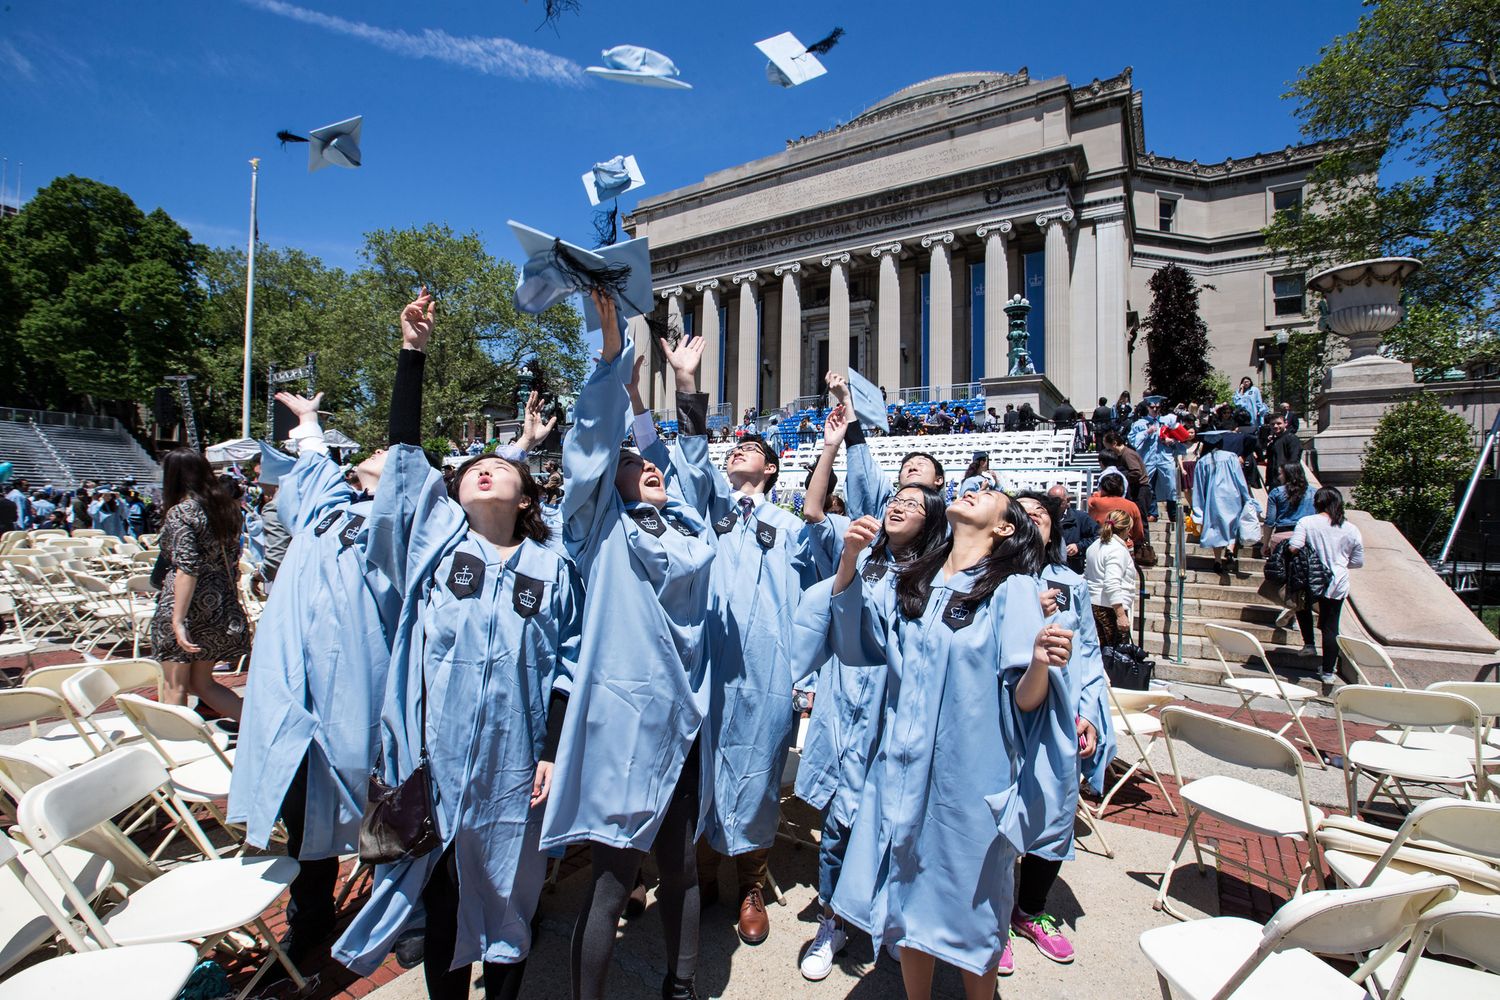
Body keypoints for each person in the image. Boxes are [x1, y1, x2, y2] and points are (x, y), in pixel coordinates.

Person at [333, 294, 581, 1000]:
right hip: (434, 758)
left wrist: (551, 749)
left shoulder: (552, 569)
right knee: (443, 896)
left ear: (527, 498)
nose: (482, 466)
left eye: (499, 467)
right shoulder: (432, 549)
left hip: (515, 764)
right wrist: (412, 354)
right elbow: (406, 461)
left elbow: (568, 661)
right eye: (472, 464)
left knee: (508, 895)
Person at [823, 489, 1072, 1000]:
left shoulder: (1013, 589)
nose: (973, 489)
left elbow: (1025, 700)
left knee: (971, 920)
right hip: (901, 776)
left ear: (1004, 528)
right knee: (908, 905)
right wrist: (849, 560)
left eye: (989, 496)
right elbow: (858, 644)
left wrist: (1043, 660)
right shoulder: (915, 582)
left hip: (966, 783)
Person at [541, 295, 717, 1000]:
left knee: (681, 869)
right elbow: (590, 443)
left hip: (684, 723)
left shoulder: (688, 530)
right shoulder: (596, 531)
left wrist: (684, 389)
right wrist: (612, 344)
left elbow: (694, 466)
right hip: (622, 726)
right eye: (634, 459)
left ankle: (680, 986)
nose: (650, 464)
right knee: (611, 882)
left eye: (653, 461)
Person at [792, 403, 951, 982]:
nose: (899, 500)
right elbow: (813, 510)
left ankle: (891, 921)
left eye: (914, 496)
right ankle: (832, 920)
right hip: (845, 706)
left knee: (894, 828)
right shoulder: (864, 547)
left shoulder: (939, 577)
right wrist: (851, 557)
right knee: (838, 823)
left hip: (895, 719)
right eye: (895, 494)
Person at [671, 353, 822, 950]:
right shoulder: (708, 515)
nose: (737, 450)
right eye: (732, 447)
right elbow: (689, 462)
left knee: (758, 774)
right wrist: (687, 387)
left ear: (772, 467)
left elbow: (816, 607)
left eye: (750, 448)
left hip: (767, 669)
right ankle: (704, 876)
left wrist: (804, 678)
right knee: (703, 767)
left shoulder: (791, 529)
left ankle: (751, 886)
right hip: (707, 662)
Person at [1009, 491, 1114, 974]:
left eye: (1042, 515)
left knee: (1053, 810)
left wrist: (1089, 712)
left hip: (1056, 715)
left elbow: (1089, 655)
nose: (1033, 520)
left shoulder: (1070, 584)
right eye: (1022, 514)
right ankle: (987, 917)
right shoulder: (987, 579)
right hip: (1001, 714)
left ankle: (1029, 909)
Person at [150, 450, 249, 720]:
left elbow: (187, 568)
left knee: (175, 686)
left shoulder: (181, 512)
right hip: (218, 604)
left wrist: (178, 620)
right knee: (202, 684)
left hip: (184, 603)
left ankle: (177, 750)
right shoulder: (228, 509)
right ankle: (265, 730)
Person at [828, 373, 946, 518]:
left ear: (939, 479)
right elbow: (861, 466)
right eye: (907, 466)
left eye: (921, 463)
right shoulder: (883, 510)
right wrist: (846, 400)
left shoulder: (949, 522)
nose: (913, 467)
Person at [1286, 487, 1364, 683]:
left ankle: (1309, 643)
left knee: (1302, 606)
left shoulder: (1307, 522)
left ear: (1317, 503)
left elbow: (1294, 547)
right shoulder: (1351, 529)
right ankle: (1328, 671)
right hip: (1337, 581)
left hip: (1310, 577)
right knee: (1331, 626)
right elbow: (1358, 561)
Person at [1191, 431, 1253, 572]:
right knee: (1232, 524)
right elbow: (1240, 479)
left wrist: (1198, 510)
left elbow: (1199, 487)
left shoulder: (1202, 462)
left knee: (1216, 529)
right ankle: (1230, 549)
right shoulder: (1231, 457)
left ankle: (1218, 560)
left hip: (1213, 499)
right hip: (1232, 496)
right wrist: (1246, 496)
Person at [1129, 398, 1188, 526]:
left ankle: (1173, 514)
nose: (1155, 409)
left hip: (1164, 458)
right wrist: (1147, 432)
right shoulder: (1140, 423)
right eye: (1152, 407)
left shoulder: (1167, 421)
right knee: (1148, 485)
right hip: (1148, 459)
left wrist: (1171, 441)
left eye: (1157, 407)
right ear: (1147, 408)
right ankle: (1152, 513)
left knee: (1171, 484)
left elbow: (1181, 439)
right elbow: (1133, 441)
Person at [1085, 509, 1136, 648]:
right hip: (1110, 607)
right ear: (1127, 529)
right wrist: (1120, 615)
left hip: (1095, 604)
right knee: (1116, 654)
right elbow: (1112, 583)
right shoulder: (1116, 550)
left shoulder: (1095, 546)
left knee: (1103, 650)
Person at [1096, 430, 1151, 527]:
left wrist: (1119, 478)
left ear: (1114, 443)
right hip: (1134, 489)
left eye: (1107, 446)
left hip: (1140, 489)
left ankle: (1143, 541)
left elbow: (1136, 472)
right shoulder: (1121, 455)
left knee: (1141, 521)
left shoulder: (1128, 454)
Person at [1048, 483, 1099, 575]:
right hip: (1048, 569)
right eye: (1050, 500)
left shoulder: (1081, 518)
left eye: (1057, 501)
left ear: (1068, 501)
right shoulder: (1043, 518)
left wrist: (1079, 546)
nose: (1053, 504)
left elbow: (1098, 537)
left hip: (1074, 569)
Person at [1264, 413, 1303, 488]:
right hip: (1274, 481)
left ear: (1286, 423)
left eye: (1279, 423)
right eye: (1272, 424)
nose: (1275, 426)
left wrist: (1287, 477)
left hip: (1287, 482)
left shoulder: (1292, 439)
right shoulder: (1274, 441)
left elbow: (1294, 460)